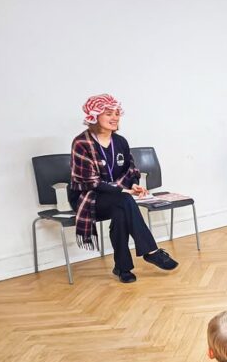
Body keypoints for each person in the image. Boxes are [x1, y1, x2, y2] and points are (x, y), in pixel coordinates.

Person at [68, 94, 177, 283]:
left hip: (117, 198)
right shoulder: (81, 143)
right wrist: (122, 191)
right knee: (124, 201)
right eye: (109, 113)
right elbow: (89, 182)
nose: (115, 118)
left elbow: (131, 170)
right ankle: (151, 251)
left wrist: (133, 184)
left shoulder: (120, 142)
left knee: (121, 209)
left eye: (117, 113)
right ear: (94, 117)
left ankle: (123, 268)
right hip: (88, 198)